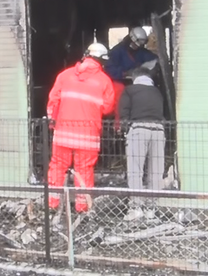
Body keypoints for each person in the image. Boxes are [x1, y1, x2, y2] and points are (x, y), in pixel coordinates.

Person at [46, 42, 116, 213]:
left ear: (86, 55)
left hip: (63, 132)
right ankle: (82, 207)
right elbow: (108, 108)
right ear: (102, 61)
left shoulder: (65, 75)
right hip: (88, 135)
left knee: (57, 166)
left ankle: (52, 205)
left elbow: (53, 101)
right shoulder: (104, 81)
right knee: (84, 170)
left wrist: (52, 122)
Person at [118, 68, 166, 221]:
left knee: (135, 171)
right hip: (158, 130)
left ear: (135, 77)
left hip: (139, 130)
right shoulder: (157, 92)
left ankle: (136, 208)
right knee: (156, 172)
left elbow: (123, 113)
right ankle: (151, 209)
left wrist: (125, 130)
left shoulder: (130, 90)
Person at [104, 27, 158, 127]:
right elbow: (109, 69)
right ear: (131, 40)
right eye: (135, 45)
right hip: (120, 84)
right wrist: (125, 73)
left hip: (136, 84)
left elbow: (151, 58)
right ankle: (119, 129)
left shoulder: (140, 51)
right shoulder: (116, 52)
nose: (136, 47)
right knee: (121, 106)